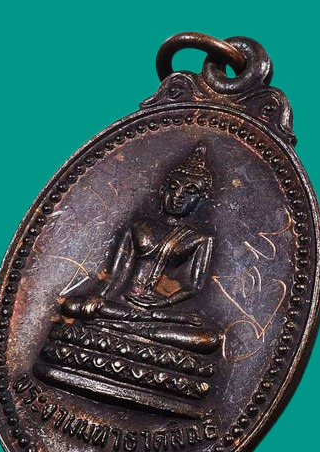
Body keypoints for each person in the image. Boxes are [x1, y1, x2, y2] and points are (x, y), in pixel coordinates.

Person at [61, 142, 220, 355]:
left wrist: (163, 304)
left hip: (160, 313)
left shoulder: (200, 239)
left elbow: (194, 286)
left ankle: (125, 329)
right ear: (162, 190)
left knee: (208, 339)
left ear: (202, 199)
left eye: (190, 191)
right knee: (71, 306)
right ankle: (136, 330)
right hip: (120, 306)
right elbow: (116, 272)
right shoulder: (138, 226)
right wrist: (99, 295)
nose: (179, 195)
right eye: (174, 187)